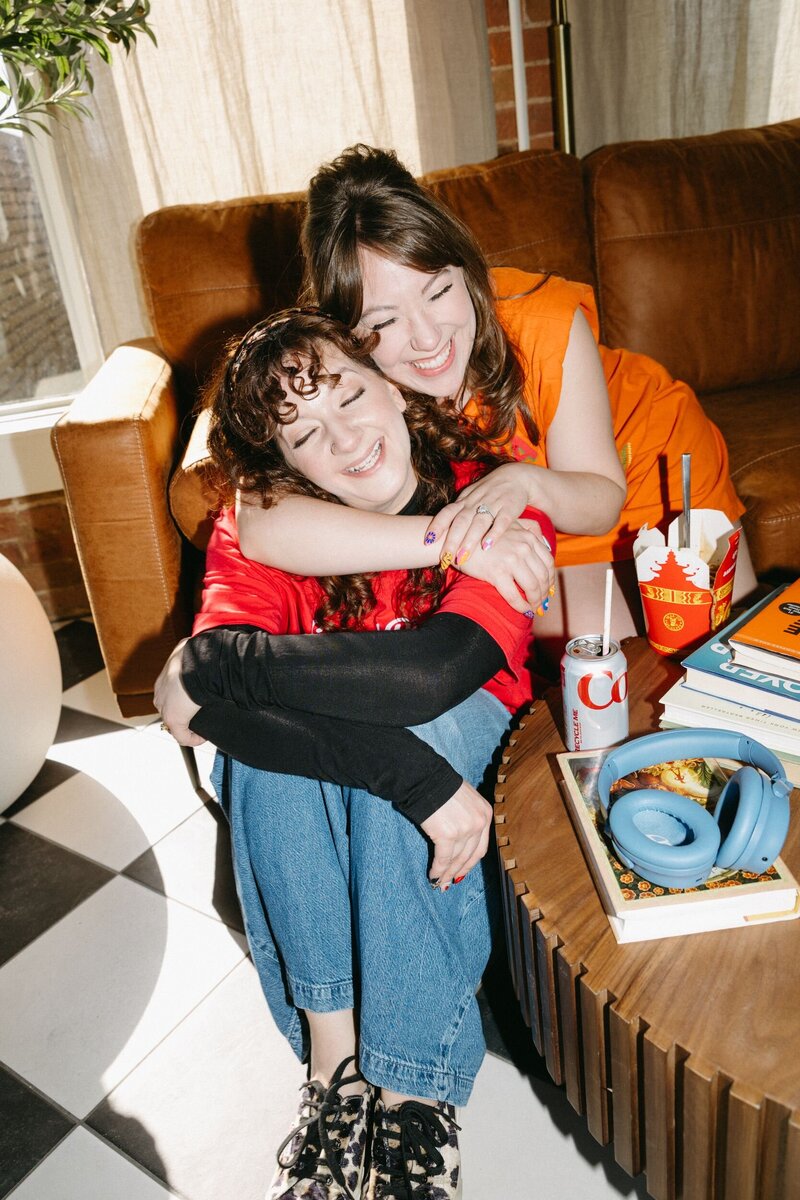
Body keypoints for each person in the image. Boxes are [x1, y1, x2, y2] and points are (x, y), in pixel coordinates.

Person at [155, 308, 556, 1200]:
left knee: (379, 729)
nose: (343, 439)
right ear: (283, 465)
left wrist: (226, 665)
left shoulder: (490, 500)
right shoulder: (260, 527)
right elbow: (204, 717)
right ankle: (333, 1076)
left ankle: (411, 1100)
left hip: (472, 736)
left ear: (391, 384)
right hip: (409, 774)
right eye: (304, 434)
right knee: (275, 755)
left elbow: (431, 678)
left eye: (347, 394)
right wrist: (399, 773)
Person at [233, 144, 756, 671]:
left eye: (438, 292)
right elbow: (257, 523)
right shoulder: (332, 373)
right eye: (385, 322)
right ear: (343, 333)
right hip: (531, 533)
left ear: (469, 269)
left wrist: (523, 483)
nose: (427, 338)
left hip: (649, 470)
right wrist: (447, 543)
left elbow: (601, 503)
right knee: (584, 675)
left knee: (721, 660)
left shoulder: (543, 323)